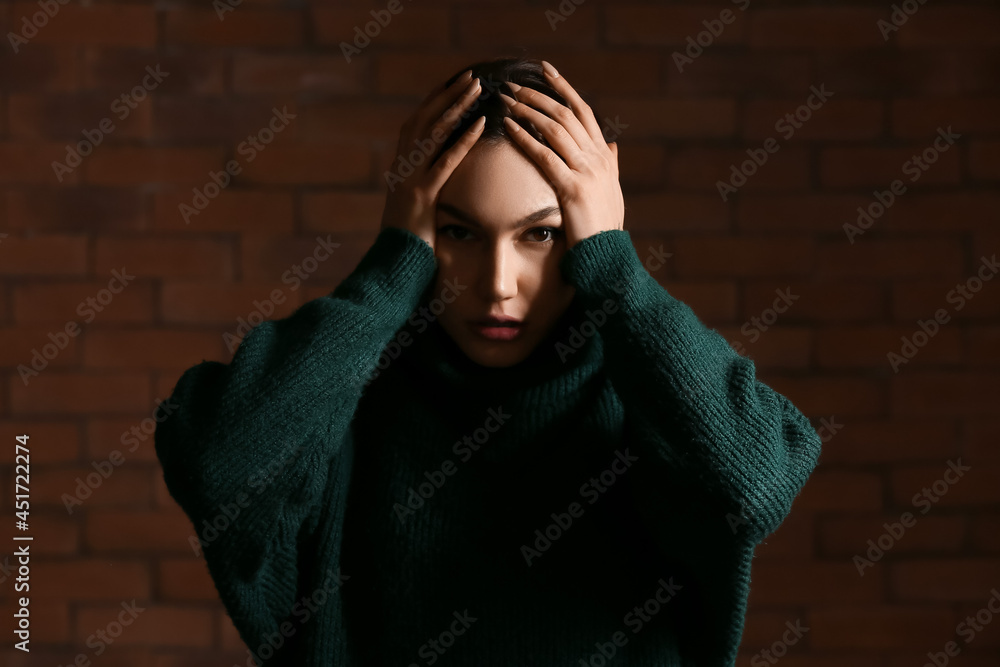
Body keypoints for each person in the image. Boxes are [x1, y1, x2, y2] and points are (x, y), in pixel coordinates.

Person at [154, 56, 823, 667]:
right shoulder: (347, 402)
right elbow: (219, 465)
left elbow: (750, 484)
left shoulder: (652, 405)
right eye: (459, 232)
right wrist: (392, 268)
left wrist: (616, 264)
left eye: (541, 234)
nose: (499, 282)